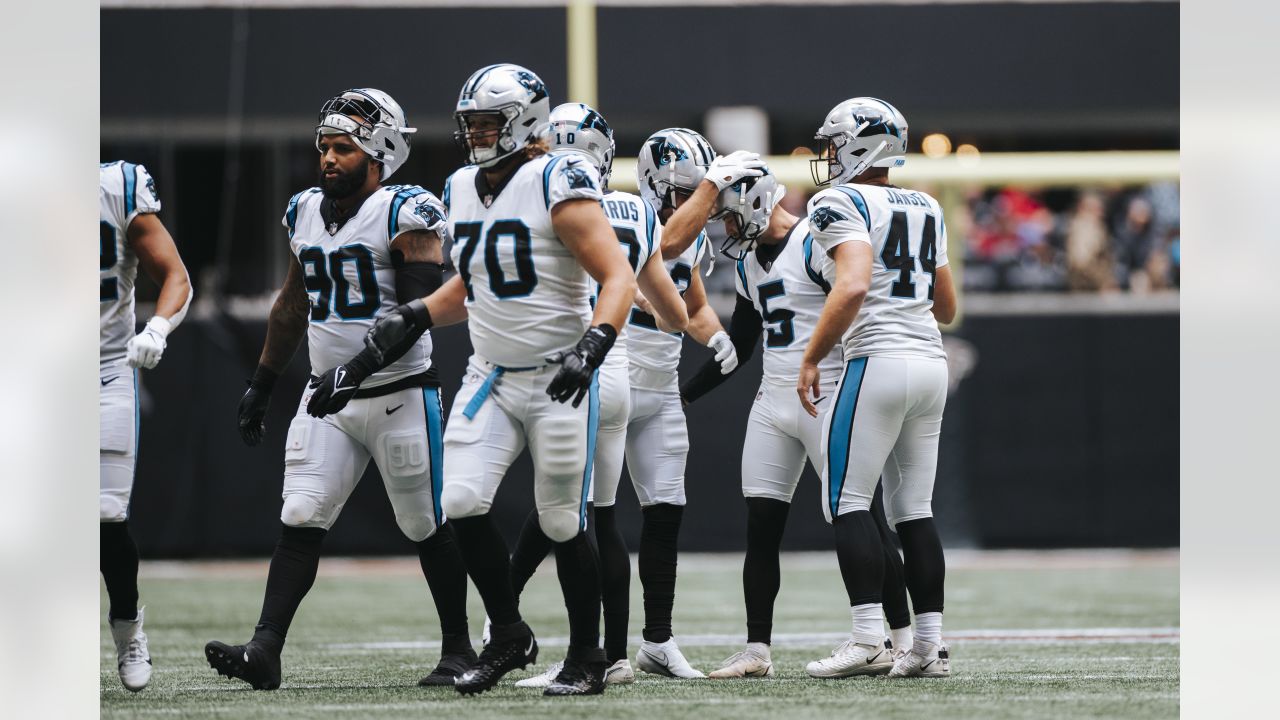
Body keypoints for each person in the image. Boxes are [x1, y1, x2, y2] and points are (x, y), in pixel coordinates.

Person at [353, 64, 639, 697]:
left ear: (527, 121)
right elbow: (475, 286)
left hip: (560, 372)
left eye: (489, 121)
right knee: (459, 501)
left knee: (563, 519)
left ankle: (588, 658)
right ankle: (509, 634)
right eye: (470, 123)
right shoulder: (458, 186)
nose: (477, 133)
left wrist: (593, 346)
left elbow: (618, 278)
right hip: (491, 373)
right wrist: (420, 312)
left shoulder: (556, 177)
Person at [204, 89, 474, 690]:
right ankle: (264, 650)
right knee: (300, 513)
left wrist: (355, 371)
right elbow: (291, 305)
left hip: (398, 390)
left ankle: (458, 647)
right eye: (323, 147)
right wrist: (263, 381)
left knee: (424, 521)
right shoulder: (303, 210)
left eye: (343, 148)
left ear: (378, 152)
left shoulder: (406, 210)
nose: (327, 158)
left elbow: (416, 312)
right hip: (328, 396)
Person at [677, 166, 915, 678]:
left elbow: (859, 302)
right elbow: (741, 345)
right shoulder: (745, 265)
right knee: (761, 525)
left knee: (862, 515)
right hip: (774, 398)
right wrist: (686, 396)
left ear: (756, 202)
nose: (725, 230)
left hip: (828, 393)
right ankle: (756, 650)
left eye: (728, 217)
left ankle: (899, 639)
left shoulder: (816, 239)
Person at [503, 102, 689, 689]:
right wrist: (628, 295)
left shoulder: (544, 202)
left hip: (567, 371)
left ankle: (541, 642)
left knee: (565, 517)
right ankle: (612, 656)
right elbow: (676, 316)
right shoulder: (636, 207)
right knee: (600, 518)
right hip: (618, 376)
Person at [799, 97, 957, 679]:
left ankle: (868, 636)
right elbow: (946, 304)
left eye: (835, 143)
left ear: (859, 145)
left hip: (877, 361)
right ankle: (929, 648)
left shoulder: (838, 199)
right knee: (914, 508)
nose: (829, 155)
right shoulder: (927, 205)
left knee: (844, 500)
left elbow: (854, 285)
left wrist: (812, 356)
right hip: (930, 364)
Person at [100, 160, 193, 692]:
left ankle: (127, 627)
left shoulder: (116, 187)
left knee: (105, 516)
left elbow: (176, 275)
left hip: (104, 369)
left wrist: (157, 327)